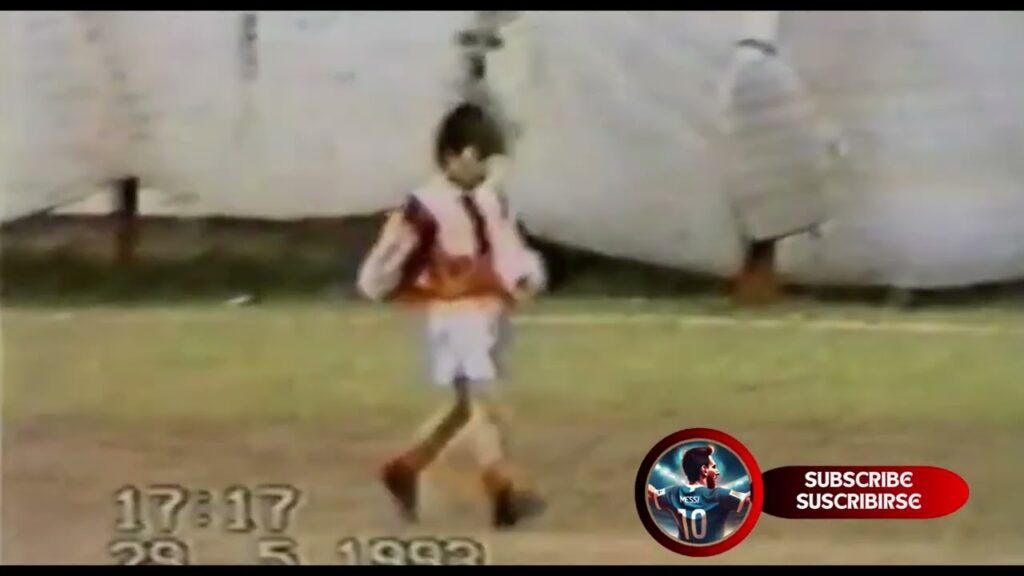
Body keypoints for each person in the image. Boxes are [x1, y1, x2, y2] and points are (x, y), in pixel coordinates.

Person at [356, 102, 547, 528]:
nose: (484, 169)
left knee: (464, 406)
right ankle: (501, 487)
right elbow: (393, 251)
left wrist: (523, 276)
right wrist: (378, 284)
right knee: (484, 397)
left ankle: (405, 469)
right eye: (478, 158)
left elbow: (507, 245)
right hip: (453, 313)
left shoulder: (489, 200)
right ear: (453, 156)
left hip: (487, 311)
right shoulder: (425, 205)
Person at [647, 445, 751, 544]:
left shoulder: (673, 493)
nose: (717, 472)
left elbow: (651, 493)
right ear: (704, 470)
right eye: (714, 467)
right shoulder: (719, 495)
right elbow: (751, 498)